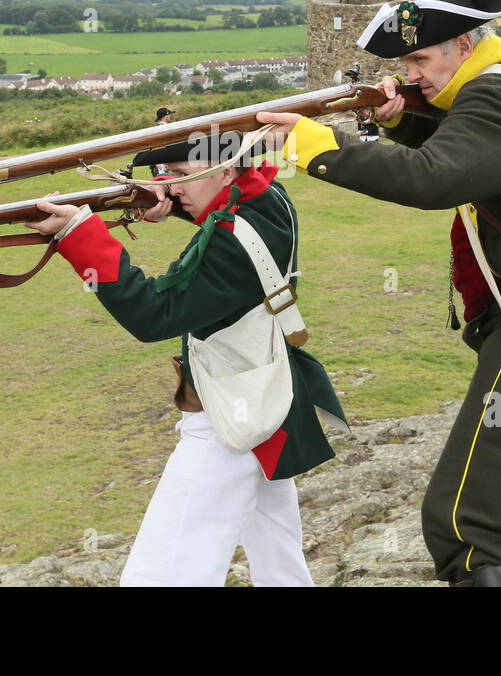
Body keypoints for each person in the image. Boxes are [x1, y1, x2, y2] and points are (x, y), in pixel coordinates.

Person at [257, 0, 501, 587]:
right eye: (405, 62)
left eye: (420, 58)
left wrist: (314, 144)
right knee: (495, 509)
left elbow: (435, 179)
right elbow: (476, 153)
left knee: (464, 520)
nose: (412, 74)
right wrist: (401, 119)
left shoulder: (494, 94)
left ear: (464, 45)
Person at [24, 134, 347, 586]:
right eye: (165, 176)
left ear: (227, 170)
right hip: (261, 399)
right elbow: (227, 211)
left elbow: (155, 315)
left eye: (178, 176)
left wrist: (79, 234)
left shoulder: (236, 241)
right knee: (280, 564)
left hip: (228, 418)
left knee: (164, 570)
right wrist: (170, 201)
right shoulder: (269, 198)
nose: (170, 186)